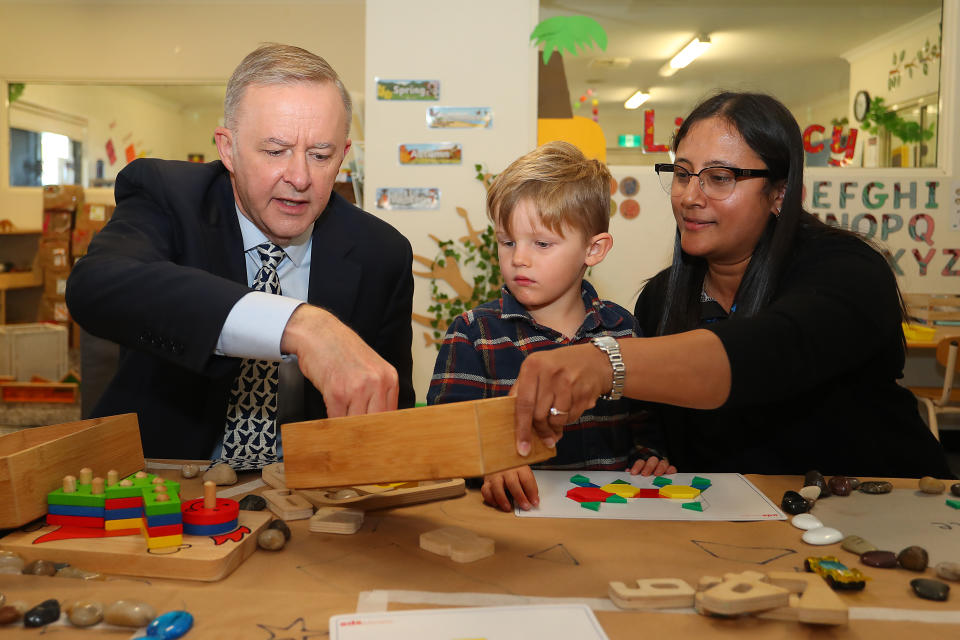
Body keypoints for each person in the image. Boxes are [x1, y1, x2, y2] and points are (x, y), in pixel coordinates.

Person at [509, 92, 952, 479]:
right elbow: (657, 434)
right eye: (683, 174)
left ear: (779, 193)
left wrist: (604, 362)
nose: (690, 196)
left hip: (878, 513)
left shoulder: (847, 271)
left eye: (720, 178)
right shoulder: (661, 299)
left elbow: (768, 352)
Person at [66, 44, 415, 468]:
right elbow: (97, 285)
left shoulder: (382, 253)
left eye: (320, 155)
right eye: (275, 151)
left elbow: (388, 413)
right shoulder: (167, 195)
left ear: (343, 154)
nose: (300, 177)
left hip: (313, 490)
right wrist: (300, 325)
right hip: (166, 481)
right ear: (227, 149)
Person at [428, 141, 673, 512]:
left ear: (594, 250)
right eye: (507, 242)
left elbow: (647, 421)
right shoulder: (473, 334)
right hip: (516, 524)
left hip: (614, 521)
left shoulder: (623, 329)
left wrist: (650, 455)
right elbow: (445, 439)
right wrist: (492, 465)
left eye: (542, 243)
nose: (519, 259)